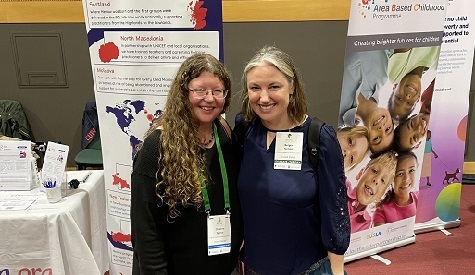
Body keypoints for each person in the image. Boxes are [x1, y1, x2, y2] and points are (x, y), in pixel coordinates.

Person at [235, 46, 350, 275]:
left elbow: (335, 211)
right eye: (255, 88)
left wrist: (337, 271)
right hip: (254, 268)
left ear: (292, 86)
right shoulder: (244, 131)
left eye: (274, 86)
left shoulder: (318, 138)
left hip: (306, 269)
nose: (264, 97)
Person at [130, 53, 243, 275]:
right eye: (200, 90)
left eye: (217, 91)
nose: (209, 98)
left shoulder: (225, 134)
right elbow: (146, 229)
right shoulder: (157, 146)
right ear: (183, 92)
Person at [346, 151, 397, 232]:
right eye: (374, 171)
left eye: (383, 180)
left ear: (381, 196)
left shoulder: (365, 224)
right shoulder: (341, 185)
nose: (376, 180)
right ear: (360, 173)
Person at [373, 151, 419, 226]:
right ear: (390, 178)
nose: (406, 179)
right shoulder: (381, 211)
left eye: (411, 171)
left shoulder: (421, 199)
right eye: (400, 174)